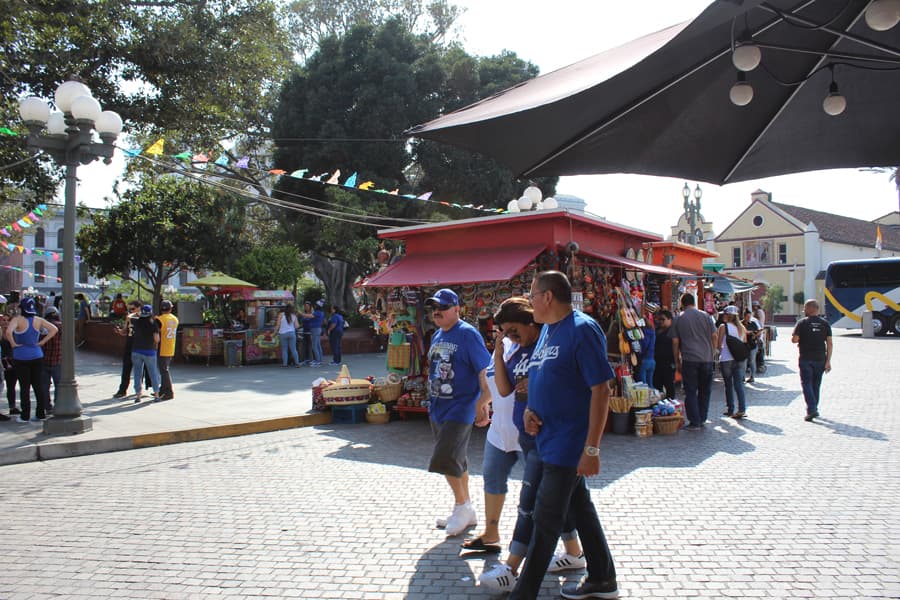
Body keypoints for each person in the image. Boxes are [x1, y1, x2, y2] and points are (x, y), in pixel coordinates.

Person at [507, 271, 618, 600]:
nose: (530, 302)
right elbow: (544, 378)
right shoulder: (547, 332)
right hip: (547, 439)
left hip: (569, 444)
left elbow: (602, 389)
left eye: (532, 295)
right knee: (580, 509)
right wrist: (530, 410)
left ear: (548, 297)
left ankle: (524, 593)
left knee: (546, 518)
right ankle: (602, 579)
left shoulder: (582, 330)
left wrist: (592, 449)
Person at [477, 297, 587, 594]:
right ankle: (576, 554)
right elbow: (504, 388)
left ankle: (512, 568)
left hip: (549, 438)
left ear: (530, 321)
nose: (512, 337)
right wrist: (499, 352)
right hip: (527, 437)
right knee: (565, 502)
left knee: (531, 503)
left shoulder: (547, 345)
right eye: (505, 332)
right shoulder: (516, 350)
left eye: (514, 331)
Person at [425, 288, 492, 538]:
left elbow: (484, 370)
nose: (437, 312)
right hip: (437, 406)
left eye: (442, 307)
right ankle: (464, 509)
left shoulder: (467, 334)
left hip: (460, 406)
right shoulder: (437, 335)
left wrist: (483, 402)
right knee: (457, 460)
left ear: (456, 309)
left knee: (445, 458)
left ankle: (462, 508)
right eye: (434, 308)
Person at [5, 297, 57, 422]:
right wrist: (42, 342)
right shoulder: (38, 320)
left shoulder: (17, 320)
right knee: (38, 385)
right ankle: (40, 414)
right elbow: (54, 329)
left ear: (21, 308)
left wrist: (13, 344)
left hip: (21, 356)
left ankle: (25, 415)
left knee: (24, 387)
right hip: (37, 355)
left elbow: (8, 332)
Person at [671, 293, 717, 431]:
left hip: (689, 359)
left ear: (682, 304)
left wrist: (677, 360)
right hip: (707, 358)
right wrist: (712, 351)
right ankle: (702, 418)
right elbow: (714, 336)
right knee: (705, 390)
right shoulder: (706, 316)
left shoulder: (679, 319)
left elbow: (675, 341)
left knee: (690, 390)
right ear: (694, 302)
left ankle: (694, 421)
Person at [792, 299, 833, 422]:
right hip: (820, 358)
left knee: (806, 384)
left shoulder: (802, 323)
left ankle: (812, 409)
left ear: (809, 309)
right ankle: (814, 407)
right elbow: (830, 343)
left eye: (805, 308)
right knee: (816, 384)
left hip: (805, 358)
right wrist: (828, 361)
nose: (804, 311)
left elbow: (794, 339)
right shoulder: (825, 323)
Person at [716, 305, 748, 419]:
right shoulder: (742, 328)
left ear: (727, 315)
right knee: (739, 384)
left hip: (726, 359)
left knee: (728, 385)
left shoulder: (723, 327)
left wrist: (722, 351)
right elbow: (744, 343)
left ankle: (730, 409)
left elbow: (718, 345)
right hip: (739, 359)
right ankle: (742, 409)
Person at [131, 304, 161, 402]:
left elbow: (130, 316)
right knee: (153, 373)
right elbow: (157, 339)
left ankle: (138, 395)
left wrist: (137, 314)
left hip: (136, 350)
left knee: (137, 374)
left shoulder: (136, 322)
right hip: (149, 351)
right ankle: (156, 395)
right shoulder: (153, 324)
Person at [40, 306, 62, 413]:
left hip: (43, 359)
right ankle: (57, 405)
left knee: (44, 385)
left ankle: (47, 407)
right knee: (58, 384)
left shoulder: (41, 326)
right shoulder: (61, 326)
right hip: (57, 359)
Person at [155, 300, 179, 400]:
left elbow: (156, 333)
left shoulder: (159, 319)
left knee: (164, 371)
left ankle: (168, 392)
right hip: (171, 346)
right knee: (165, 369)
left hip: (162, 347)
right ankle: (163, 390)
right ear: (171, 308)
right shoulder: (175, 319)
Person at [652, 309, 676, 399]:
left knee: (669, 385)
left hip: (669, 363)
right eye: (659, 319)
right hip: (657, 362)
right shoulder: (657, 330)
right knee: (657, 385)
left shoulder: (673, 331)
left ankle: (671, 404)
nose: (660, 321)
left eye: (663, 319)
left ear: (670, 319)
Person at [1, 314, 19, 418]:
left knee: (11, 386)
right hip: (2, 363)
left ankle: (12, 407)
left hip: (12, 363)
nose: (6, 323)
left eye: (8, 321)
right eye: (4, 320)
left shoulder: (13, 334)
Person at [634, 302, 657, 386]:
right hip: (652, 360)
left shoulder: (644, 332)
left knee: (643, 386)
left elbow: (644, 345)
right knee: (650, 385)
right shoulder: (652, 331)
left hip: (645, 360)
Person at [301, 299, 326, 367]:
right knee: (318, 345)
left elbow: (310, 316)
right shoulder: (321, 312)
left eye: (315, 305)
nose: (314, 306)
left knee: (314, 346)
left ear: (317, 306)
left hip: (315, 329)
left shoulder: (317, 312)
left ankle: (317, 361)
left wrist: (301, 313)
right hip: (318, 329)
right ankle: (320, 360)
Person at [742, 309, 762, 383]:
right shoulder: (741, 324)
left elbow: (757, 333)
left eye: (749, 317)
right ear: (744, 316)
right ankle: (742, 377)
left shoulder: (753, 323)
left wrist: (756, 334)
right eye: (747, 316)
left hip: (753, 345)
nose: (748, 318)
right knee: (744, 362)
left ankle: (752, 377)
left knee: (752, 361)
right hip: (744, 345)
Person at [299, 301, 313, 365]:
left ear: (310, 307)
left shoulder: (312, 313)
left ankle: (312, 359)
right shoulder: (303, 314)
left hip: (311, 331)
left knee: (311, 346)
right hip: (305, 331)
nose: (306, 307)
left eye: (307, 306)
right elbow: (302, 323)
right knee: (305, 346)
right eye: (305, 306)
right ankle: (306, 359)